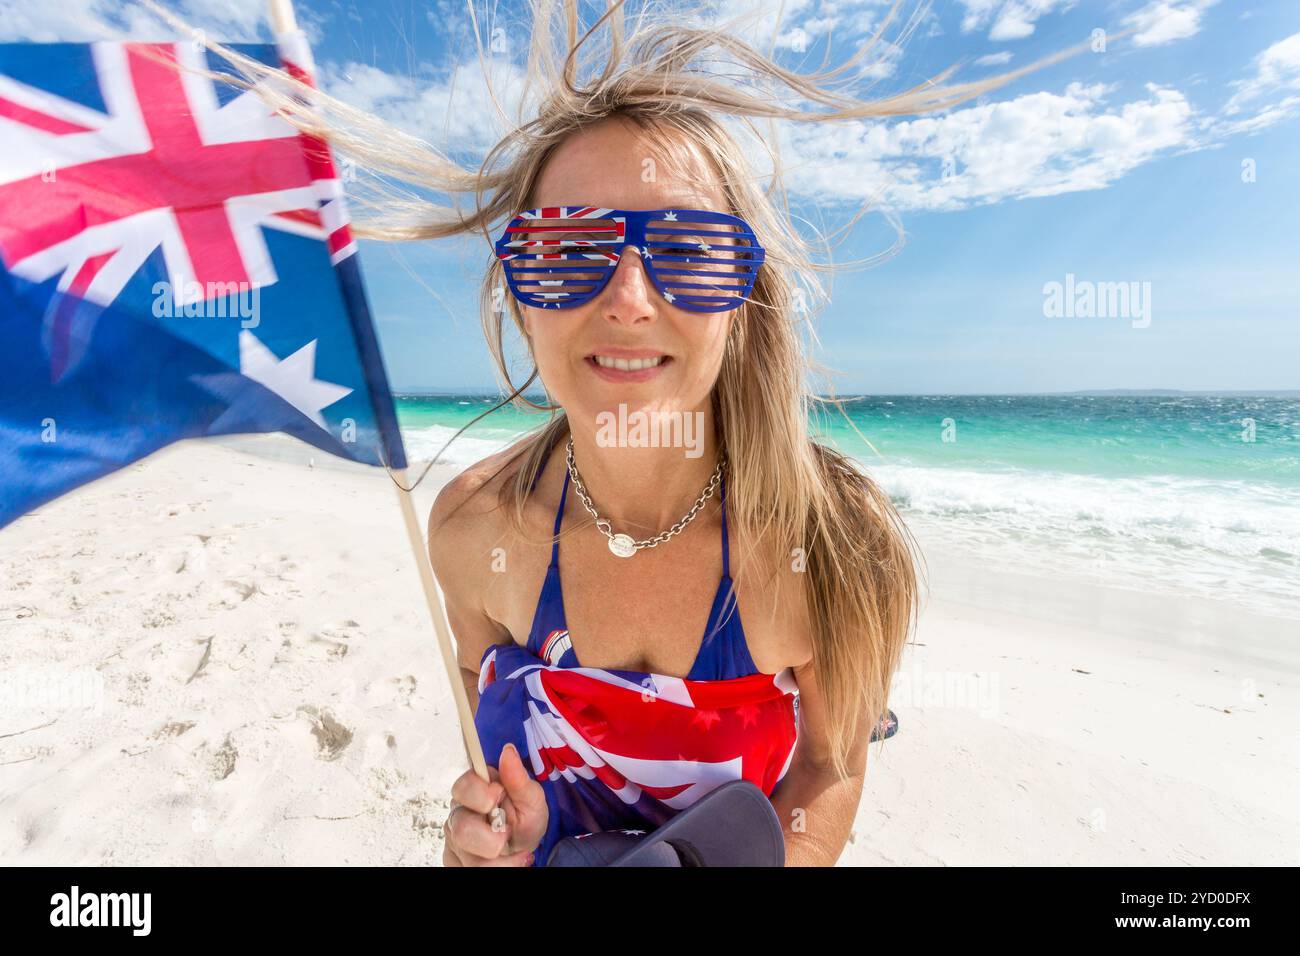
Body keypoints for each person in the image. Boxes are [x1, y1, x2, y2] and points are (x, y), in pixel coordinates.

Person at [200, 0, 1051, 866]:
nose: (630, 299)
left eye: (689, 249)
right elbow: (473, 682)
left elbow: (833, 763)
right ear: (520, 300)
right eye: (567, 251)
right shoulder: (471, 527)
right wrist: (498, 830)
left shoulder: (836, 546)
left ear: (741, 301)